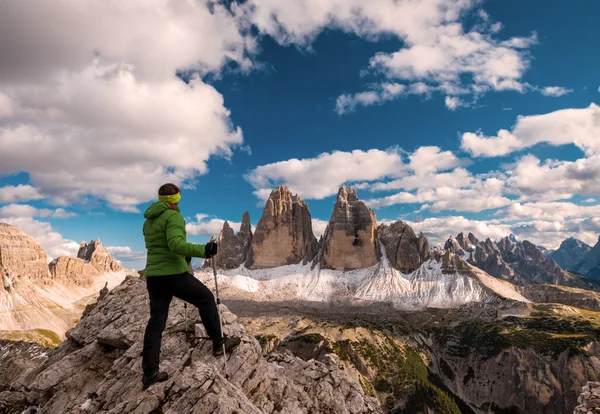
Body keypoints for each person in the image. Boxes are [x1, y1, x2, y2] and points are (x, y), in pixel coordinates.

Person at [141, 183, 240, 390]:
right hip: (173, 274)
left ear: (160, 198)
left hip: (154, 276)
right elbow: (175, 244)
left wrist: (183, 253)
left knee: (156, 322)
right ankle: (218, 343)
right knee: (206, 299)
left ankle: (150, 373)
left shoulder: (149, 220)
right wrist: (205, 250)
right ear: (177, 198)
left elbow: (160, 246)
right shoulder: (173, 216)